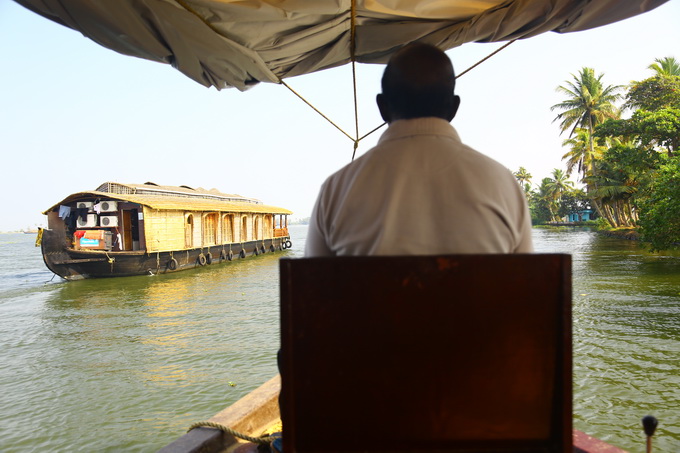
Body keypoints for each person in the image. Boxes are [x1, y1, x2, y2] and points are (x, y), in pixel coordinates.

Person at [305, 42, 533, 256]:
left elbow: (310, 291)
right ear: (454, 108)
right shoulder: (503, 185)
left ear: (382, 107)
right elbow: (526, 289)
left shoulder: (336, 190)